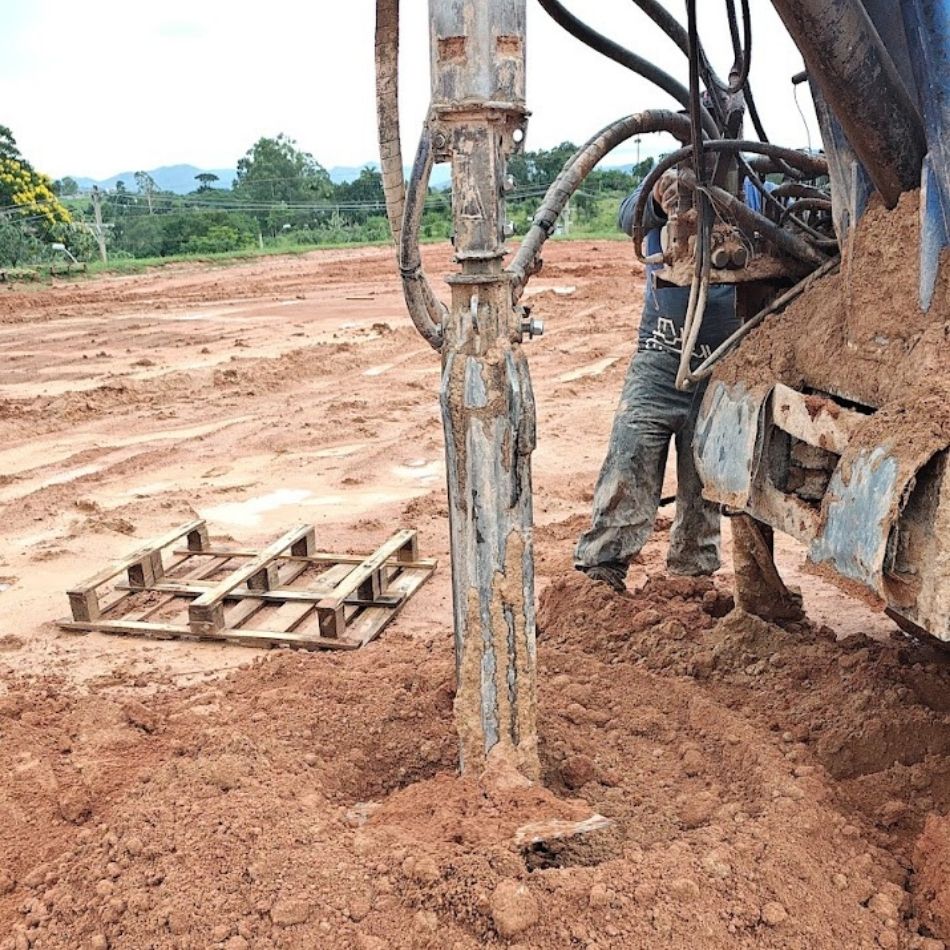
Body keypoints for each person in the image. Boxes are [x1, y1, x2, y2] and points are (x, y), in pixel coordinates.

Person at [574, 170, 766, 593]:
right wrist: (660, 199)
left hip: (724, 367)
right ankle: (603, 568)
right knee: (630, 453)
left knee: (704, 477)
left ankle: (692, 576)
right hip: (660, 357)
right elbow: (629, 215)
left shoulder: (753, 191)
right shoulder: (668, 181)